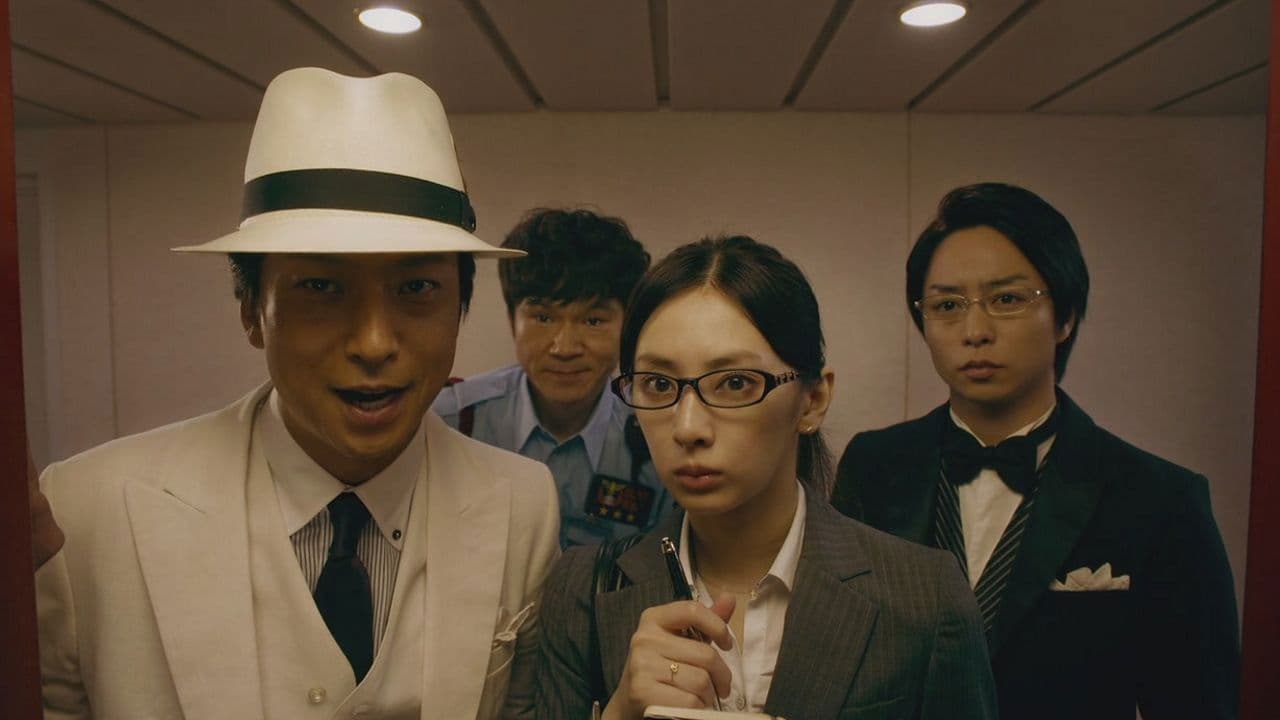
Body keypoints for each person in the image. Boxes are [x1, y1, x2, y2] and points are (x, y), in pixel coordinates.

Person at [34, 68, 560, 719]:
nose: (374, 343)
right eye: (321, 288)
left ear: (460, 309)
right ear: (252, 312)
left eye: (417, 288)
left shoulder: (523, 503)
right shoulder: (89, 513)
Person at [537, 235, 997, 720]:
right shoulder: (586, 589)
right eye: (658, 384)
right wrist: (620, 712)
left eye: (735, 383)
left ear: (812, 401)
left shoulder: (923, 595)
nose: (688, 427)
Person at [831, 182, 1240, 720]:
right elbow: (836, 660)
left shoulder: (1160, 498)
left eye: (1007, 300)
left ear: (1064, 316)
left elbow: (1199, 703)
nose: (975, 331)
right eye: (947, 305)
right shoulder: (873, 465)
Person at [434, 208, 674, 548]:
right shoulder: (451, 421)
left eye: (593, 321)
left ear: (627, 328)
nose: (565, 348)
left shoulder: (657, 432)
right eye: (543, 318)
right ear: (512, 319)